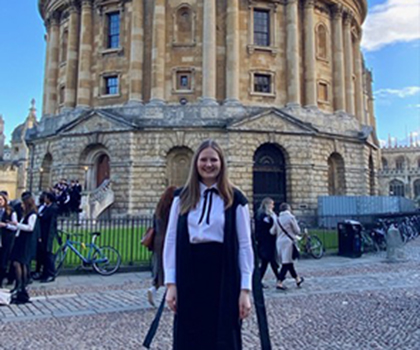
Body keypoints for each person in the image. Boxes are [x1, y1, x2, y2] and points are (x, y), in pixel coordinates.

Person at [163, 139, 254, 350]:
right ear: (195, 163)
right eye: (203, 160)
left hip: (224, 274)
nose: (208, 164)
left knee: (223, 336)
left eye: (214, 160)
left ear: (221, 163)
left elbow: (245, 245)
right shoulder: (181, 197)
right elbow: (171, 240)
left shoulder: (235, 198)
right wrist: (171, 284)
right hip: (189, 272)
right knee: (188, 336)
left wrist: (245, 290)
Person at [5, 192, 39, 303]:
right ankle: (19, 284)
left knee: (21, 262)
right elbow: (18, 227)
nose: (21, 206)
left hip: (26, 242)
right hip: (20, 240)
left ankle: (21, 284)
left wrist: (16, 224)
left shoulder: (33, 214)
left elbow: (30, 228)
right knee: (17, 262)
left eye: (23, 203)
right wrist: (10, 225)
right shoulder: (26, 214)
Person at [147, 185, 177, 307]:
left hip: (157, 241)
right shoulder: (172, 209)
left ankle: (154, 287)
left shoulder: (159, 209)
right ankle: (171, 296)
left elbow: (154, 224)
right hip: (169, 241)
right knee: (171, 269)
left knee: (159, 267)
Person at [272, 202, 304, 290]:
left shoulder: (277, 219)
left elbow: (272, 231)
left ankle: (297, 279)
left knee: (289, 262)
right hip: (288, 242)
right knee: (286, 263)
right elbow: (297, 230)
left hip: (279, 242)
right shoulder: (290, 217)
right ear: (288, 209)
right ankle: (280, 282)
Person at [255, 197, 279, 288]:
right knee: (271, 261)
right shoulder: (263, 215)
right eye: (271, 204)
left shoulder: (267, 215)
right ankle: (279, 278)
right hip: (265, 241)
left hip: (269, 241)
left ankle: (259, 280)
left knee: (266, 263)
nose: (273, 206)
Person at [38, 192, 58, 283]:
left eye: (46, 198)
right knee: (44, 254)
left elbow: (47, 220)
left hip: (48, 234)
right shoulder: (47, 207)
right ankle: (44, 272)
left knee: (48, 254)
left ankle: (51, 273)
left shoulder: (53, 208)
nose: (44, 199)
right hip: (44, 233)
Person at [0, 192, 17, 288]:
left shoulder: (10, 211)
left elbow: (15, 226)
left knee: (3, 261)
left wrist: (5, 225)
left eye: (1, 200)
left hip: (6, 238)